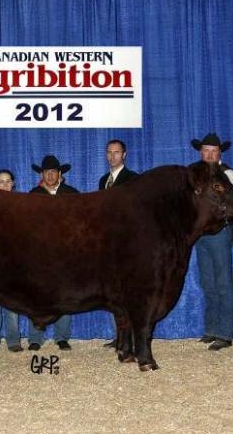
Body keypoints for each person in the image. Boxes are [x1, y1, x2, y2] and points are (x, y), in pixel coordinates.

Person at [192, 133, 233, 350]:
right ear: (200, 152)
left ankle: (225, 333)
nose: (210, 154)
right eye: (206, 150)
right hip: (201, 234)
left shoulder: (228, 173)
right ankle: (211, 329)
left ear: (220, 153)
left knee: (223, 283)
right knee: (208, 283)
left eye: (214, 151)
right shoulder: (194, 173)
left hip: (221, 232)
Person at [27, 155, 78, 351]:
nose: (50, 174)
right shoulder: (33, 195)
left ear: (59, 174)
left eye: (53, 171)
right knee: (35, 295)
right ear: (42, 174)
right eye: (46, 171)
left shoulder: (71, 194)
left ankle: (62, 337)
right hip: (39, 254)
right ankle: (35, 338)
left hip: (65, 253)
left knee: (64, 294)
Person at [98, 139, 138, 348]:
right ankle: (120, 336)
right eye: (109, 152)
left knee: (129, 291)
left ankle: (130, 336)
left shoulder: (133, 180)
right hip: (108, 243)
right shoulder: (104, 180)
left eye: (116, 152)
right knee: (115, 293)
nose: (112, 156)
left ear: (124, 155)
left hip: (127, 243)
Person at [0, 169, 23, 354]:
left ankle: (13, 341)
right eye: (1, 181)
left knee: (13, 305)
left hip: (14, 263)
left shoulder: (20, 207)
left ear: (13, 184)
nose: (5, 185)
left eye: (8, 181)